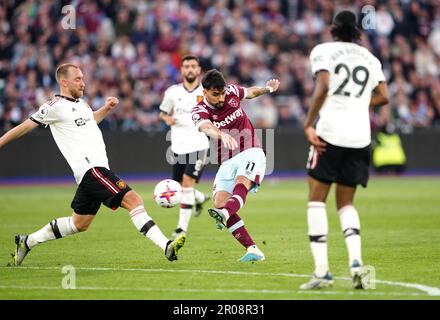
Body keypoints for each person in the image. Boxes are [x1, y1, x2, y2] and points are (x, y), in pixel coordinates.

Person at [0, 63, 186, 266]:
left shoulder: (82, 104)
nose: (83, 83)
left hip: (95, 171)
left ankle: (27, 242)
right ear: (64, 82)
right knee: (133, 199)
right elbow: (25, 127)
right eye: (77, 79)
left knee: (79, 224)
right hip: (91, 170)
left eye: (82, 78)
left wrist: (105, 109)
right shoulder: (54, 107)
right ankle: (166, 245)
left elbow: (90, 121)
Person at [301, 11, 389, 289]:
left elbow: (323, 85)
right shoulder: (370, 58)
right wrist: (360, 104)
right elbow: (384, 96)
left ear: (333, 29)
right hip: (360, 137)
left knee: (316, 200)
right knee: (346, 203)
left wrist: (308, 123)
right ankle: (356, 264)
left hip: (329, 133)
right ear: (357, 32)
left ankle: (322, 272)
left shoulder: (324, 50)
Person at [191, 69, 280, 262]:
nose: (221, 98)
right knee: (220, 202)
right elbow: (205, 126)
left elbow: (251, 92)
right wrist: (220, 134)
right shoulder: (199, 111)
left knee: (241, 183)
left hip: (251, 150)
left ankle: (224, 214)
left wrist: (268, 89)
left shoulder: (231, 92)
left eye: (222, 93)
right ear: (205, 92)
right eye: (216, 94)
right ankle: (253, 249)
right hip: (227, 160)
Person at [159, 55, 211, 239]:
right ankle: (199, 198)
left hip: (200, 144)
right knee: (180, 188)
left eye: (193, 66)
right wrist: (167, 119)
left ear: (198, 70)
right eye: (186, 66)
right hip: (178, 146)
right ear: (182, 70)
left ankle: (181, 229)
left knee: (187, 183)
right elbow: (162, 113)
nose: (190, 69)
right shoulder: (172, 92)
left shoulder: (207, 92)